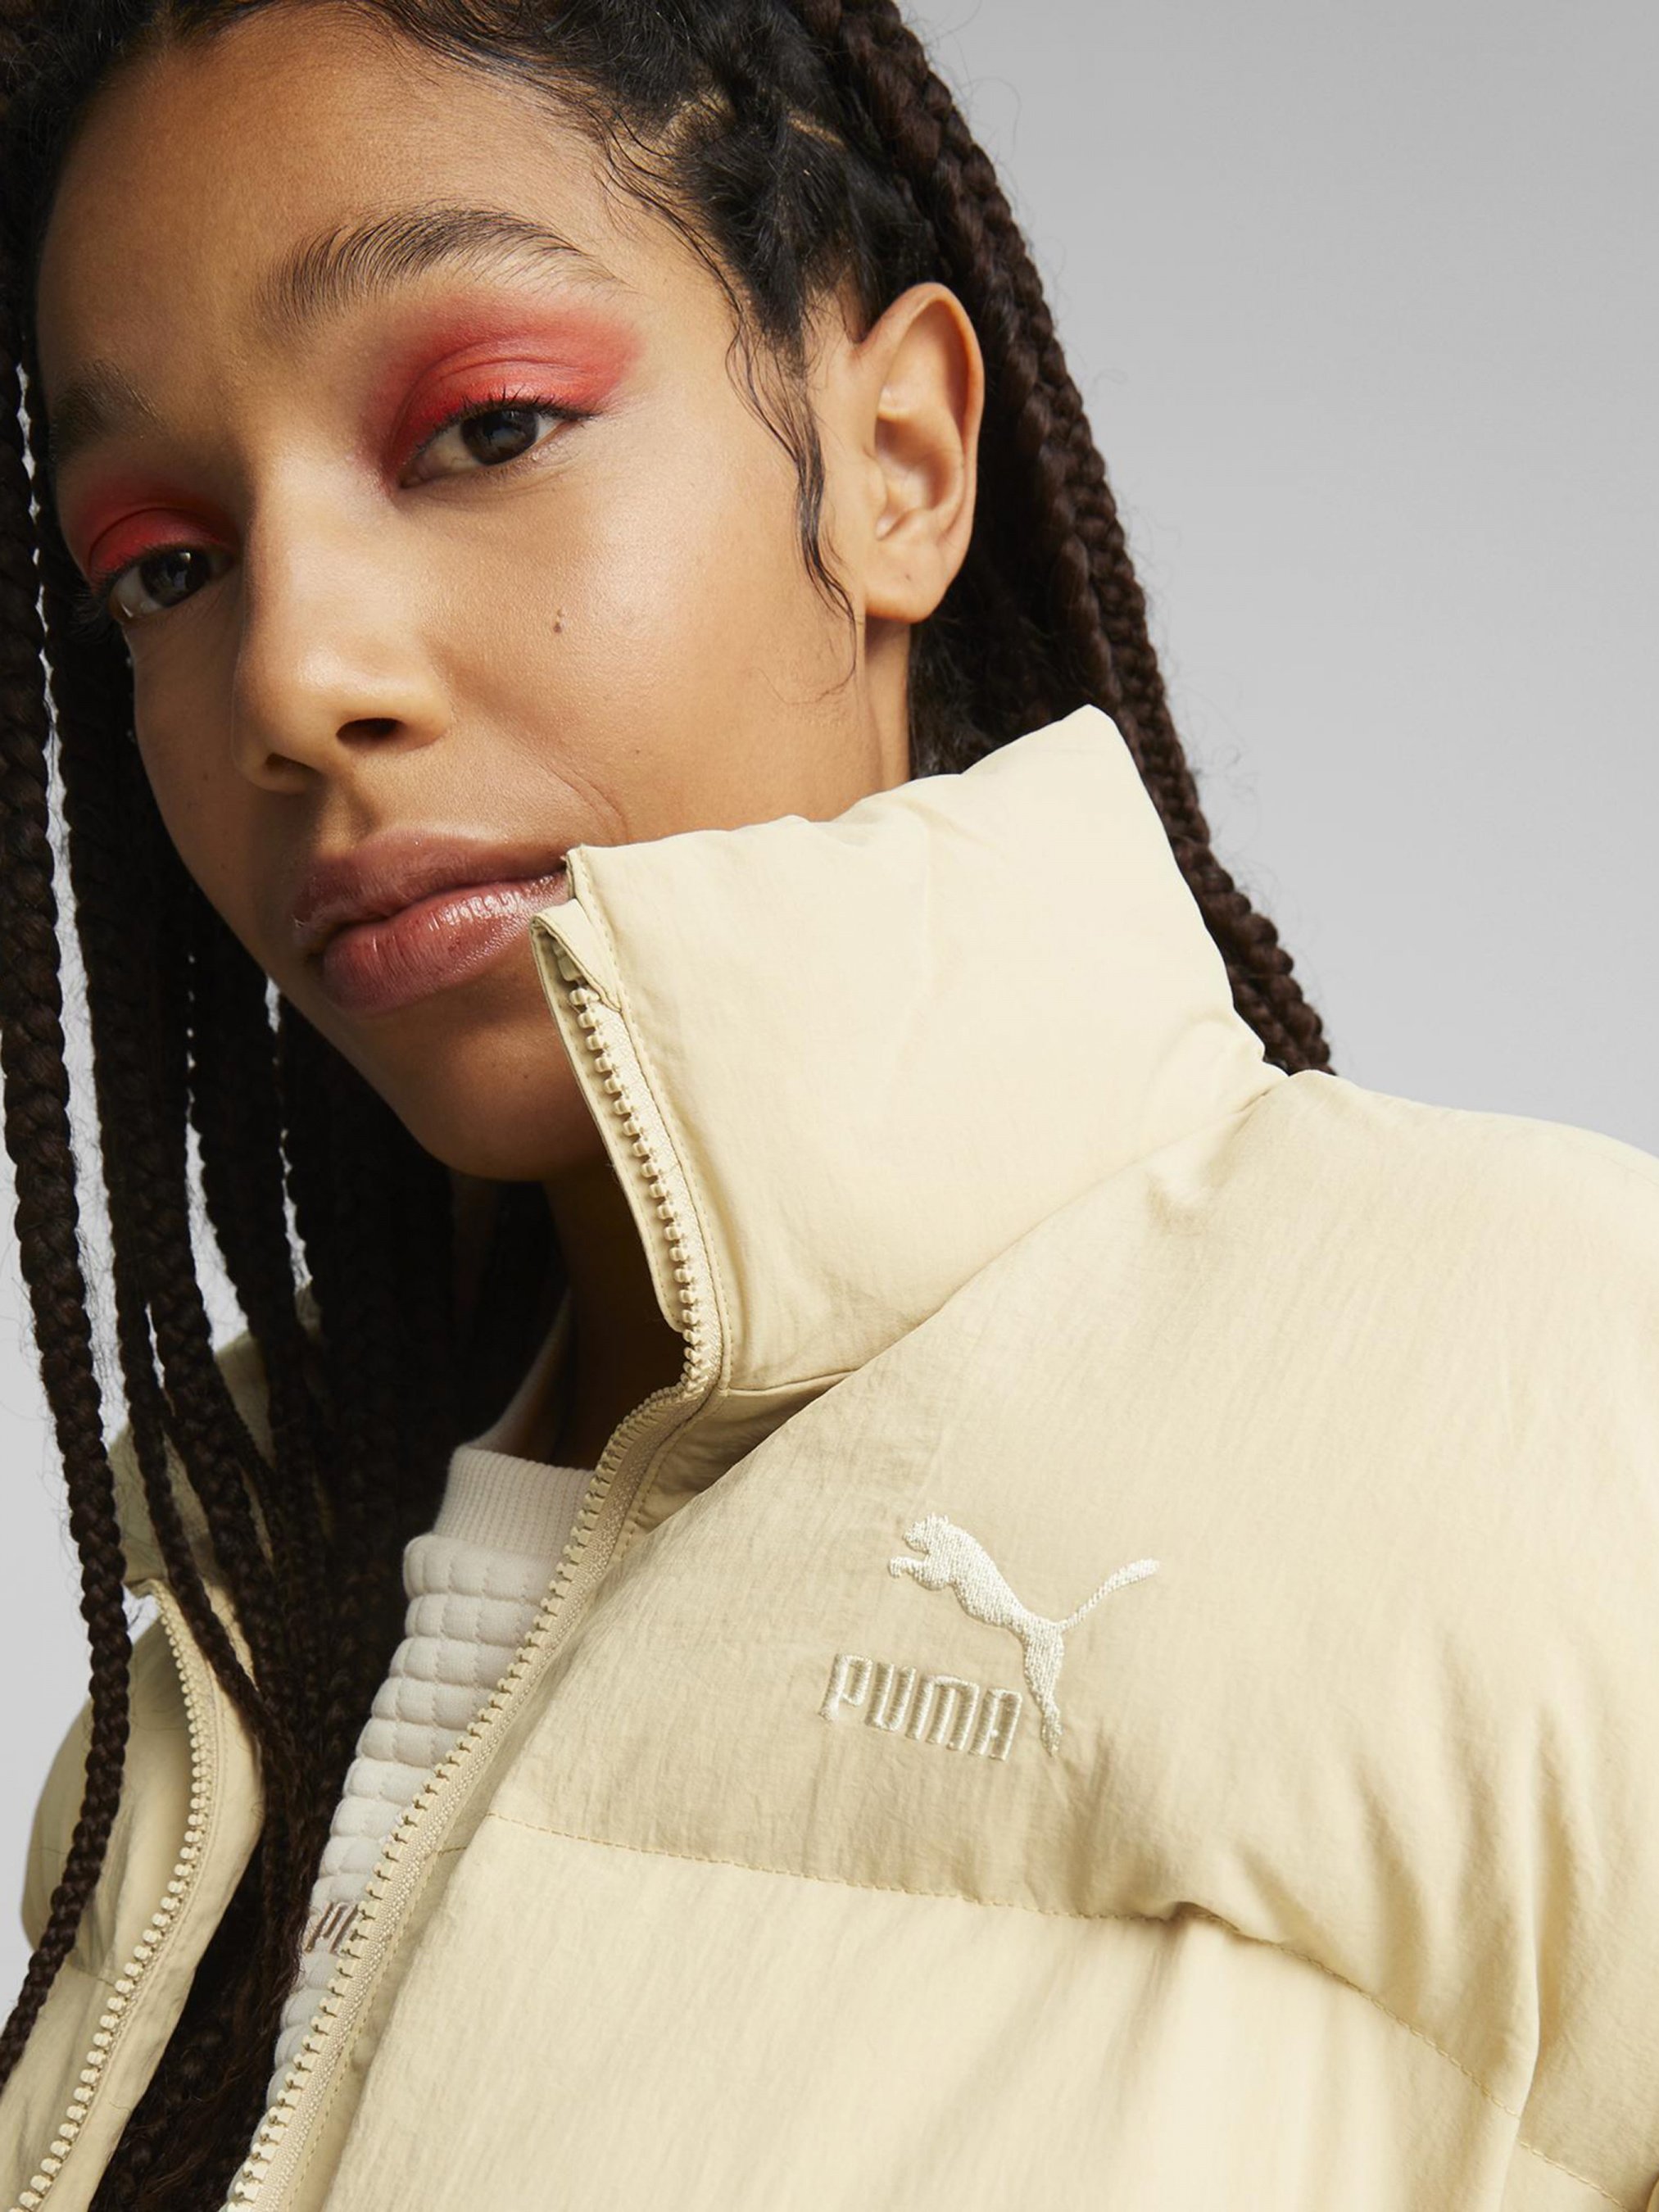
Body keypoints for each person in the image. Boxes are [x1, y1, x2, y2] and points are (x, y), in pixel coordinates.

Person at [0, 2, 1655, 2207]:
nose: (293, 680)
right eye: (166, 565)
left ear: (898, 462)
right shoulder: (231, 1642)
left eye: (485, 428)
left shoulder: (1559, 1398)